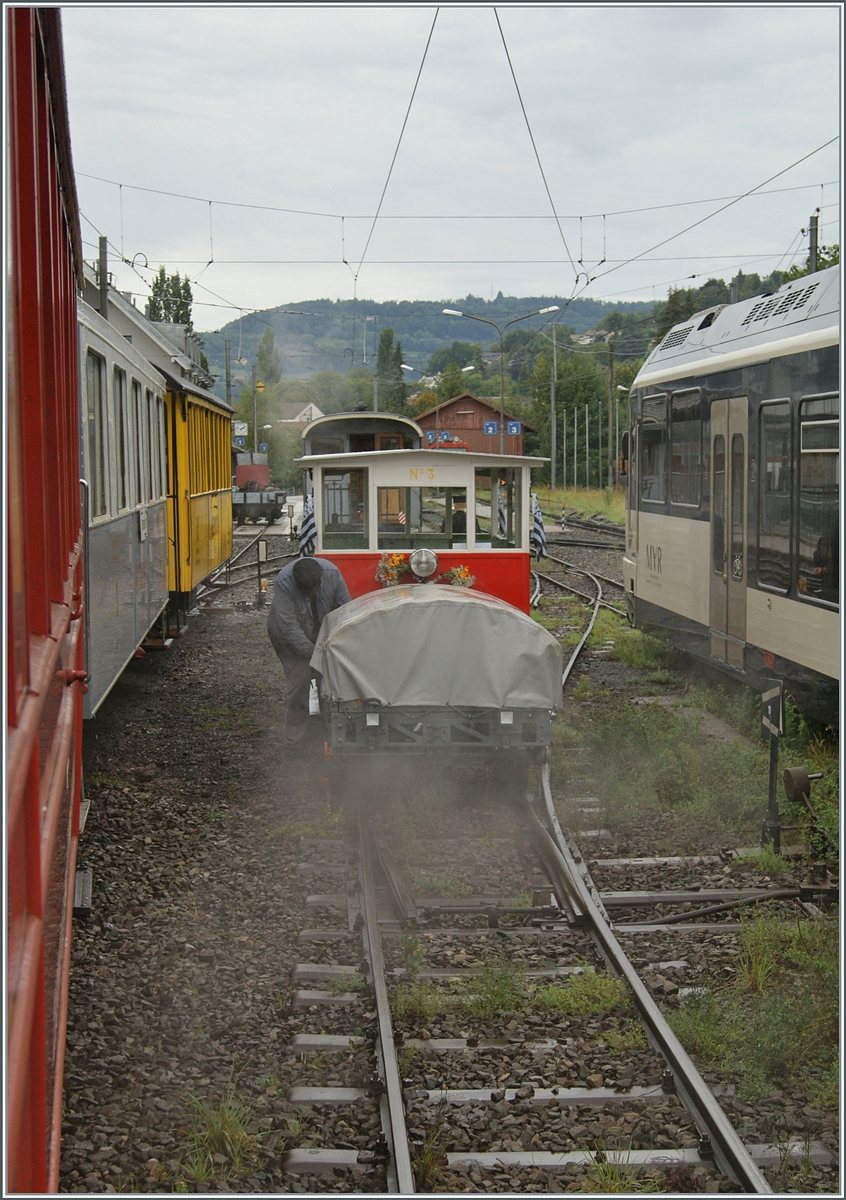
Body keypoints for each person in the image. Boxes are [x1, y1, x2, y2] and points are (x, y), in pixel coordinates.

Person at [267, 557, 351, 743]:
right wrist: (315, 655)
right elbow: (289, 628)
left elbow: (346, 611)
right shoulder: (283, 583)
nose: (312, 594)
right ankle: (294, 739)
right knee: (300, 680)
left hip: (320, 630)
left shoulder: (333, 575)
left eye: (315, 589)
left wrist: (337, 647)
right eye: (306, 591)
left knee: (331, 678)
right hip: (286, 637)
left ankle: (326, 729)